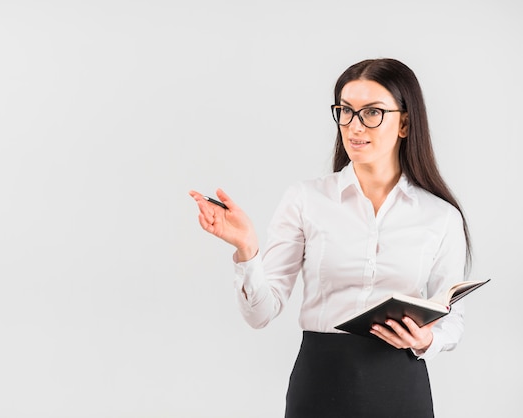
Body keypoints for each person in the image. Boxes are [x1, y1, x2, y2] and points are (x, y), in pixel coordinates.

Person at [189, 58, 472, 418]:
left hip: (399, 386)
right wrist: (247, 250)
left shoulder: (440, 216)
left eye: (372, 112)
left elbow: (453, 320)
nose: (355, 126)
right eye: (346, 111)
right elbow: (260, 313)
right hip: (320, 384)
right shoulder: (306, 199)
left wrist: (427, 340)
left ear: (404, 122)